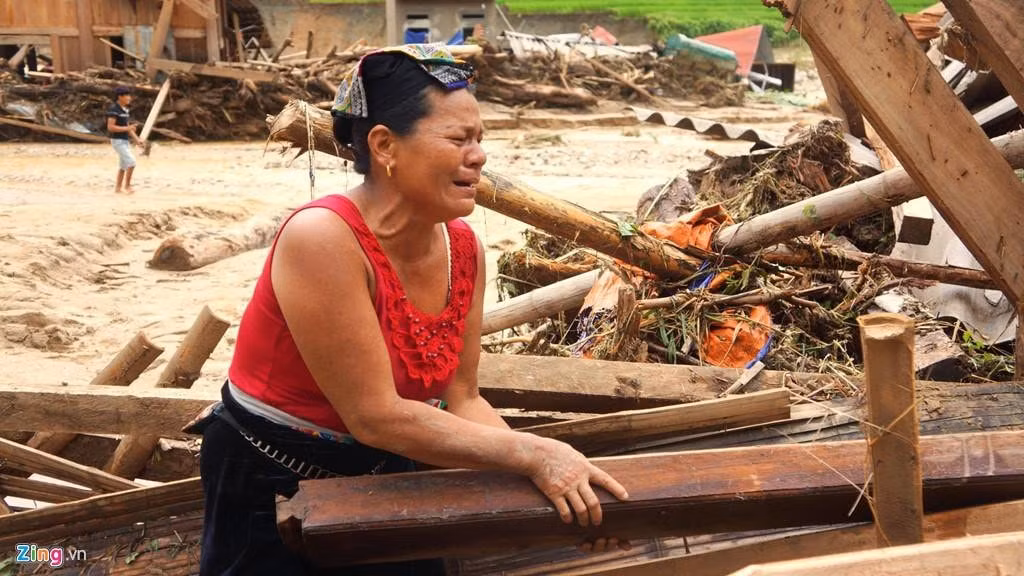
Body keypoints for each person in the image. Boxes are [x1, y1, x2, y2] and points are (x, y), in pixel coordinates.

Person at [191, 44, 630, 576]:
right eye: (458, 138)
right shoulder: (323, 237)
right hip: (273, 477)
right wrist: (537, 455)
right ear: (384, 146)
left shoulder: (463, 247)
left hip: (391, 466)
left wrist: (557, 492)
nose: (479, 155)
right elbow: (375, 414)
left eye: (480, 140)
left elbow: (463, 399)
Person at [107, 86, 142, 194]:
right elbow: (110, 127)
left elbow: (127, 127)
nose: (129, 98)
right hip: (117, 141)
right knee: (131, 162)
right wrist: (128, 128)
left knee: (123, 166)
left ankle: (118, 189)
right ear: (120, 97)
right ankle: (127, 186)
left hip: (125, 141)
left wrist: (137, 140)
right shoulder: (114, 109)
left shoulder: (125, 110)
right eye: (127, 95)